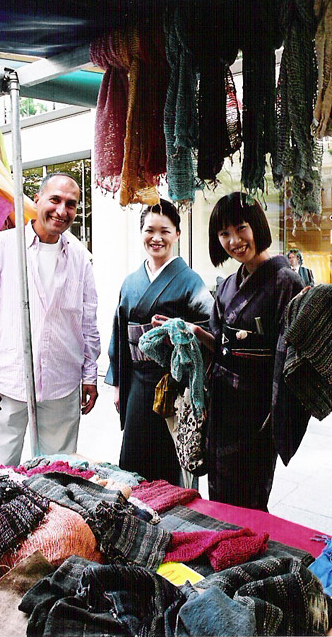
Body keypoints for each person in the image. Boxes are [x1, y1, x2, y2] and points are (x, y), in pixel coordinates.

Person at [0, 172, 101, 474]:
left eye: (71, 204)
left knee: (57, 475)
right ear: (37, 200)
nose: (62, 210)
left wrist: (90, 375)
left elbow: (88, 323)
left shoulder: (80, 257)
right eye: (55, 200)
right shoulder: (2, 247)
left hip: (61, 384)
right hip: (4, 382)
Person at [191, 192, 305, 511]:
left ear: (257, 225)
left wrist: (277, 416)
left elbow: (292, 356)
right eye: (224, 233)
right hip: (222, 404)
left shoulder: (286, 282)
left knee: (249, 501)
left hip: (258, 412)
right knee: (220, 495)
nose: (234, 241)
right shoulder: (228, 284)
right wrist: (197, 333)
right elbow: (221, 344)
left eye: (241, 228)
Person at [105, 199, 214, 485]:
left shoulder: (190, 280)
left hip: (174, 383)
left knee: (171, 462)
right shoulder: (131, 282)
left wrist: (186, 333)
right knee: (134, 463)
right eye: (149, 230)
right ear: (141, 233)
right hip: (137, 383)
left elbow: (210, 328)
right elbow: (119, 334)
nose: (157, 238)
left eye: (165, 231)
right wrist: (118, 385)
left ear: (177, 234)